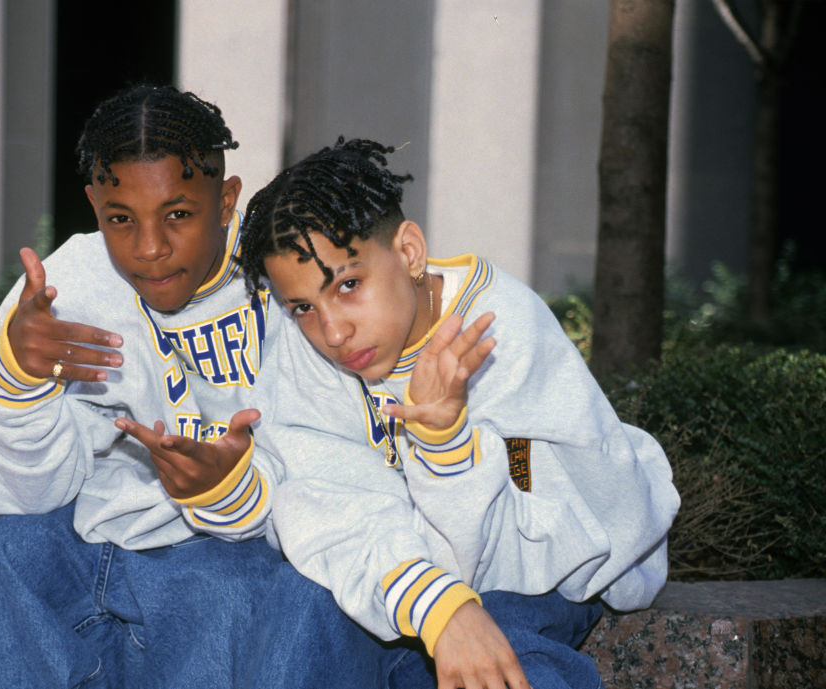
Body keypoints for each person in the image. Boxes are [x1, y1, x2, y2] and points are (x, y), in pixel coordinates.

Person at [0, 87, 397, 689]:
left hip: (245, 539)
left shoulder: (283, 278)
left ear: (227, 199)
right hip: (98, 531)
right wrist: (13, 380)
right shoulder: (64, 290)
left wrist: (226, 488)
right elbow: (16, 493)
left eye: (178, 214)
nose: (148, 248)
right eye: (119, 219)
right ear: (94, 206)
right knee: (4, 556)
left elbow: (337, 461)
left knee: (233, 592)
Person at [233, 137, 682, 689]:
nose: (332, 331)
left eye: (349, 285)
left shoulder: (496, 336)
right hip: (403, 585)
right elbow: (320, 503)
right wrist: (436, 603)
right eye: (303, 306)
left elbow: (554, 550)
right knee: (298, 604)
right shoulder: (305, 353)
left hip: (530, 579)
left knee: (507, 652)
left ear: (410, 252)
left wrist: (446, 444)